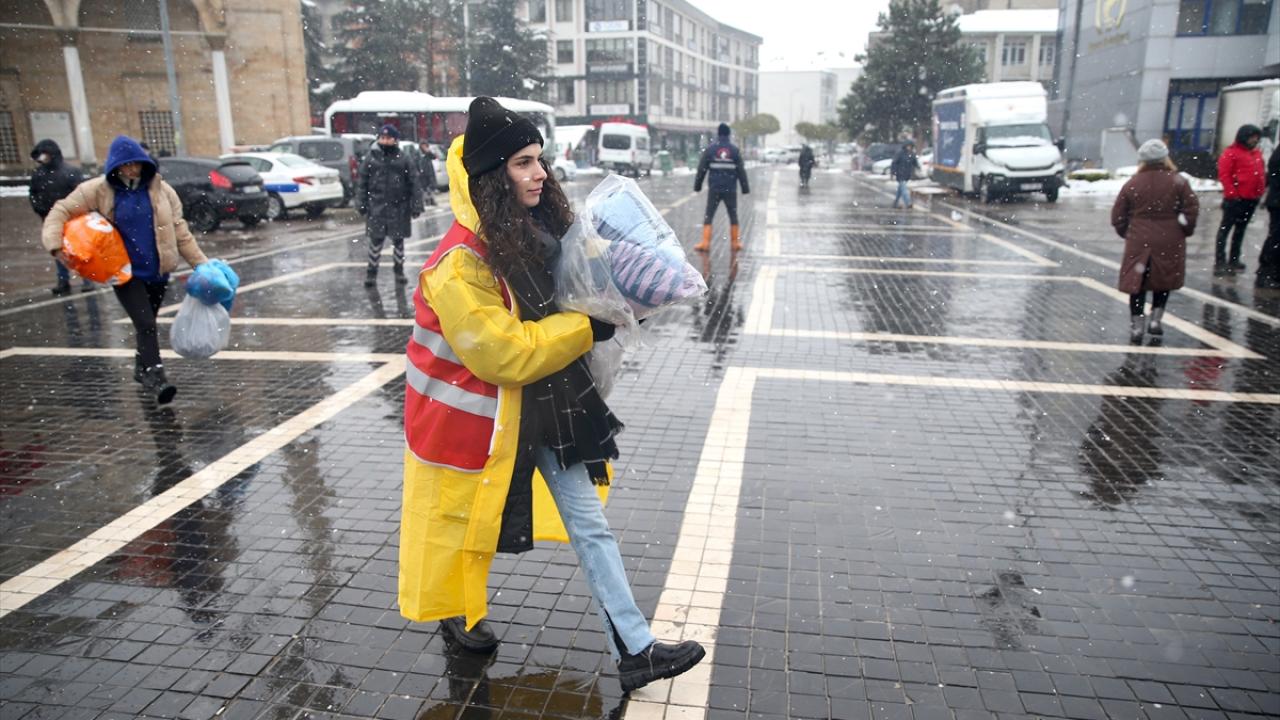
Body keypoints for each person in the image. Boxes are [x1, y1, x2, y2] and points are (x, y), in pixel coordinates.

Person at [398, 96, 705, 694]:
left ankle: (634, 648)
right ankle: (460, 614)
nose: (540, 173)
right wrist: (584, 328)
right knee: (469, 527)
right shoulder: (457, 265)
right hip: (475, 426)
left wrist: (627, 285)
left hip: (548, 409)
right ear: (492, 175)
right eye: (522, 163)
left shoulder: (537, 228)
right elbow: (502, 353)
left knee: (591, 524)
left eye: (539, 159)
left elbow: (574, 288)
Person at [41, 135, 210, 404]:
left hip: (158, 270)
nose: (132, 170)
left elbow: (180, 231)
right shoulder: (98, 190)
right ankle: (156, 377)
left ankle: (140, 366)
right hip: (125, 272)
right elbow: (60, 211)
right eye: (126, 165)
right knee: (144, 323)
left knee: (148, 323)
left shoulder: (162, 190)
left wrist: (201, 264)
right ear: (115, 166)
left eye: (137, 164)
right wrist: (55, 245)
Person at [1110, 139, 1199, 344]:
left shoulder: (1133, 183)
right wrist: (1184, 229)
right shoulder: (1178, 182)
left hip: (1139, 239)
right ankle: (1156, 320)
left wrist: (1128, 232)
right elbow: (1191, 209)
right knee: (1163, 279)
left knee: (1137, 283)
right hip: (1169, 237)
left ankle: (1137, 325)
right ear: (1165, 158)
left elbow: (1118, 216)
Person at [358, 124, 422, 287]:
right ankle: (371, 274)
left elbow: (414, 182)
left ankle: (399, 271)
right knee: (375, 242)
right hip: (377, 207)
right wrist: (361, 203)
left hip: (399, 207)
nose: (385, 141)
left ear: (395, 139)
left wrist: (416, 205)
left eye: (388, 138)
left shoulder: (403, 158)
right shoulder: (371, 158)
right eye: (382, 138)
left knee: (398, 243)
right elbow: (362, 182)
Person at [28, 139, 89, 295]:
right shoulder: (38, 174)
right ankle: (63, 280)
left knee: (79, 248)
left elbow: (80, 194)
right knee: (57, 248)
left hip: (72, 218)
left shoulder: (69, 172)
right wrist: (40, 209)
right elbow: (33, 194)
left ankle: (87, 278)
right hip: (49, 218)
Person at [1214, 124, 1265, 276]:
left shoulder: (1256, 154)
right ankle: (1220, 260)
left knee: (1240, 231)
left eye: (1256, 137)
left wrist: (1259, 192)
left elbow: (1261, 173)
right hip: (1235, 199)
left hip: (1251, 198)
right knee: (1225, 230)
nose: (1254, 140)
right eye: (1252, 137)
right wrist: (1232, 194)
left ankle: (1234, 258)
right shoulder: (1231, 153)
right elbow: (1225, 175)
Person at [693, 122, 749, 253]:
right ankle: (735, 243)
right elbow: (741, 170)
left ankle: (705, 243)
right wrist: (745, 187)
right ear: (729, 134)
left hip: (715, 188)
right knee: (733, 214)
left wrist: (698, 185)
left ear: (718, 134)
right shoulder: (734, 150)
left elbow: (702, 169)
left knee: (709, 215)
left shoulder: (711, 149)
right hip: (731, 189)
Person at [1256, 145, 1280, 289]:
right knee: (1276, 238)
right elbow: (1274, 175)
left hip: (1276, 200)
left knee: (1275, 238)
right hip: (1277, 202)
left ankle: (1270, 271)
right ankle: (1267, 272)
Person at [890, 140, 919, 209]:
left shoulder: (912, 154)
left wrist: (918, 167)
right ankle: (908, 202)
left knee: (900, 190)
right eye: (908, 146)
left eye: (910, 146)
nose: (909, 147)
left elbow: (915, 162)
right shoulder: (900, 153)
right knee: (904, 189)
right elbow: (894, 163)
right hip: (900, 174)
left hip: (907, 174)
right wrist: (893, 172)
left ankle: (895, 203)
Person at [417, 140, 438, 207]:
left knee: (431, 186)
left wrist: (428, 151)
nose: (424, 147)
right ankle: (426, 201)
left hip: (429, 172)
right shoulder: (418, 153)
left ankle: (432, 200)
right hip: (422, 173)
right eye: (423, 145)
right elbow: (415, 162)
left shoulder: (428, 153)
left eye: (425, 145)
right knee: (424, 187)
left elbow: (434, 157)